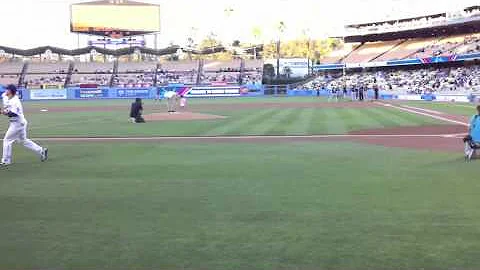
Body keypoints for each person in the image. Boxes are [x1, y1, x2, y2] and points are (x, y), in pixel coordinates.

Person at [1, 84, 48, 166]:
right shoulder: (5, 96)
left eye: (7, 89)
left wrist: (2, 112)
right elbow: (2, 94)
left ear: (10, 91)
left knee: (7, 140)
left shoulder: (15, 102)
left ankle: (6, 160)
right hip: (19, 122)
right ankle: (41, 150)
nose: (5, 91)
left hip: (17, 123)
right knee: (23, 141)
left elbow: (13, 114)